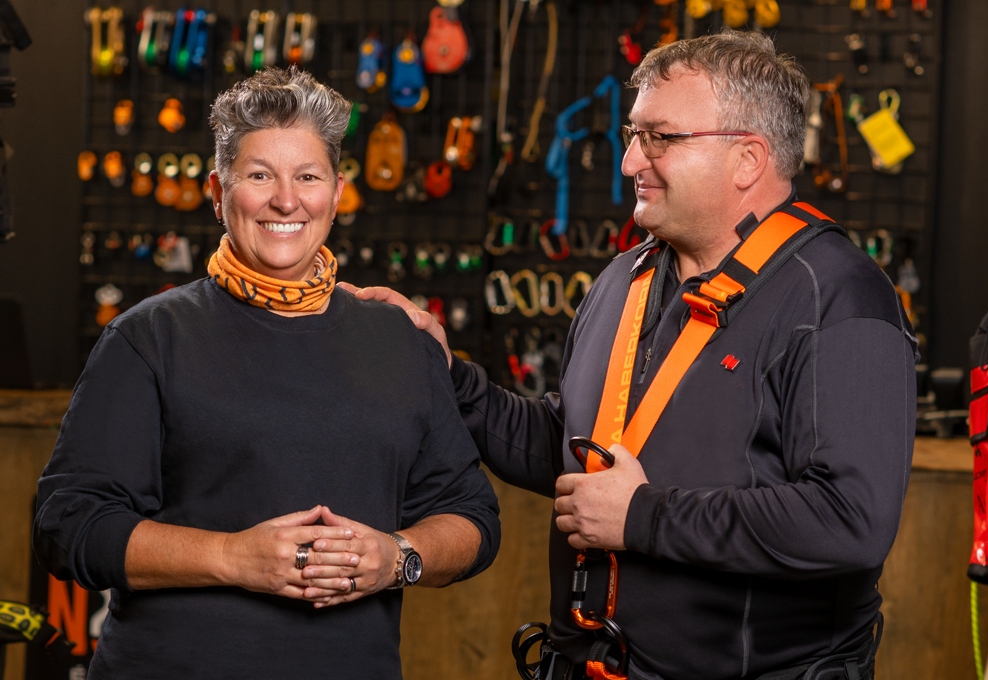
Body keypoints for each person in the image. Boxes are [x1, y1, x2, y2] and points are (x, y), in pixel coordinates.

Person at [349, 31, 916, 680]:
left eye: (661, 138)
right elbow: (575, 446)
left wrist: (643, 517)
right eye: (631, 134)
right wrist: (441, 374)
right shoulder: (627, 278)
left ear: (748, 159)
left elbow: (851, 520)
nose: (629, 163)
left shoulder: (839, 296)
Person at [33, 67, 499, 679]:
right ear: (218, 192)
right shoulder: (149, 337)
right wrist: (229, 557)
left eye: (308, 176)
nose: (287, 199)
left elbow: (471, 515)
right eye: (260, 176)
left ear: (336, 192)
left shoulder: (397, 339)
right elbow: (69, 525)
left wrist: (398, 557)